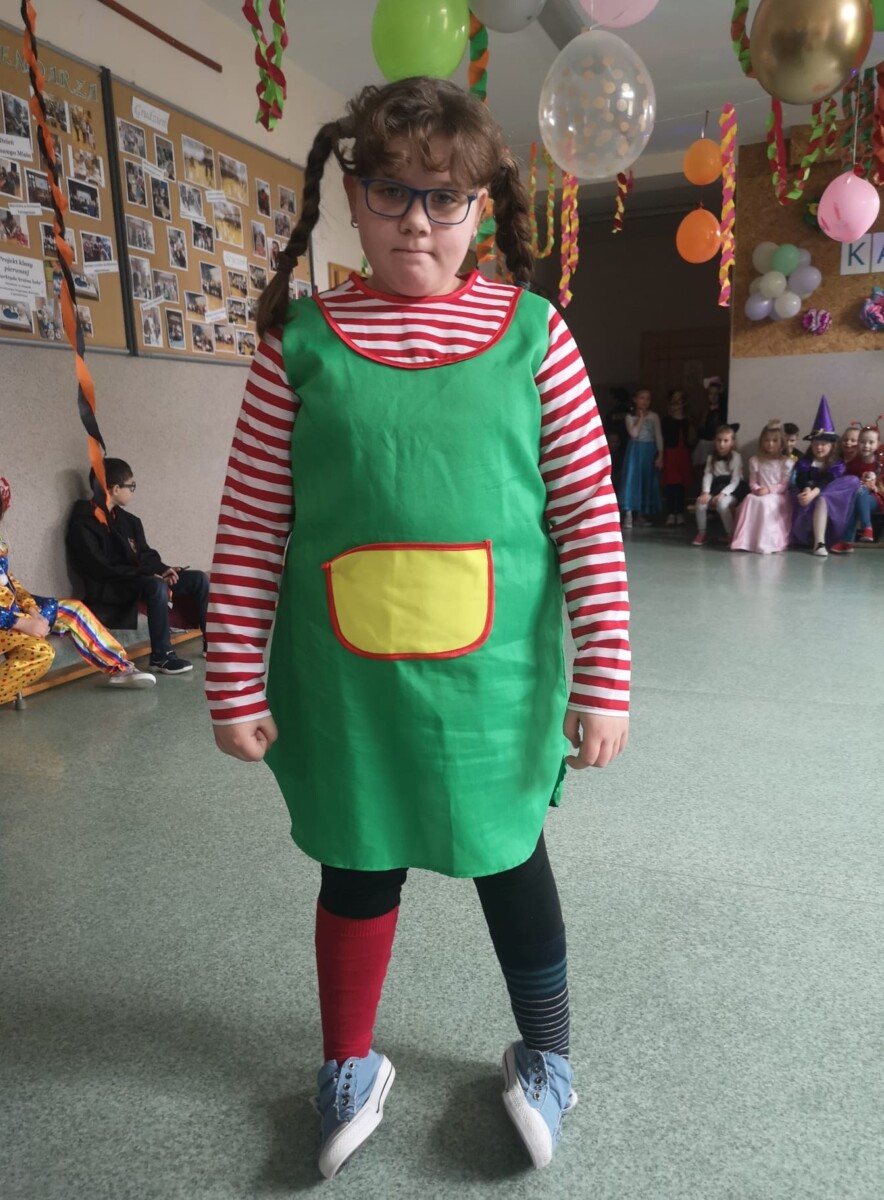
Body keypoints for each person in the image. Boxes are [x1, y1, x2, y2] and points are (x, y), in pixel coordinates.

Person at [205, 77, 630, 1179]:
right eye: (391, 193)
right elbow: (251, 523)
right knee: (356, 867)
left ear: (480, 206)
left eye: (445, 199)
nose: (416, 222)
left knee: (511, 862)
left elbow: (588, 516)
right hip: (343, 685)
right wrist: (233, 677)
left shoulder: (535, 337)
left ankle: (548, 1055)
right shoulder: (299, 344)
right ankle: (349, 1061)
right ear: (352, 196)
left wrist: (605, 678)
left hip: (495, 686)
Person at [0, 460, 154, 714]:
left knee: (72, 610)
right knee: (41, 653)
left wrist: (31, 609)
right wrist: (21, 623)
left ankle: (119, 668)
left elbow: (10, 582)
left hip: (10, 610)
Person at [66, 458, 208, 674]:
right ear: (115, 489)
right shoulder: (83, 522)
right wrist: (147, 575)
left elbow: (145, 554)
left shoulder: (128, 520)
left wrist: (163, 570)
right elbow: (100, 567)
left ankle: (212, 642)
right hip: (110, 586)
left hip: (138, 579)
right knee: (156, 586)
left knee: (198, 579)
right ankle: (161, 655)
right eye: (130, 486)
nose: (132, 491)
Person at [790, 397, 861, 557]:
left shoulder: (837, 463)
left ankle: (819, 542)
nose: (819, 447)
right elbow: (801, 477)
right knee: (802, 495)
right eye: (815, 444)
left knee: (826, 497)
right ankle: (812, 538)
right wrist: (806, 490)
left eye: (823, 444)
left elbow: (827, 479)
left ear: (831, 445)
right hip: (808, 495)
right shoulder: (806, 461)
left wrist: (815, 492)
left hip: (827, 496)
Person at [730, 420, 793, 554]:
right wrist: (757, 489)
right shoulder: (755, 460)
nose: (770, 444)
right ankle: (746, 541)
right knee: (749, 499)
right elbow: (753, 481)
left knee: (765, 503)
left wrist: (769, 490)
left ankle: (765, 542)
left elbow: (784, 484)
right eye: (767, 440)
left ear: (781, 442)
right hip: (759, 493)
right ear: (762, 442)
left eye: (774, 441)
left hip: (778, 495)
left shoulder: (786, 462)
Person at [692, 425, 745, 546]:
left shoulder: (736, 457)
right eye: (719, 440)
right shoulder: (711, 458)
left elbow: (735, 480)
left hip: (732, 490)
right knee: (700, 503)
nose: (721, 444)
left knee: (722, 504)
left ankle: (731, 534)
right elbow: (708, 475)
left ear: (732, 443)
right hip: (715, 487)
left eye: (726, 441)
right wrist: (705, 492)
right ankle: (702, 532)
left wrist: (723, 494)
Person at [619, 387, 663, 529]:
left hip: (649, 450)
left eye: (648, 399)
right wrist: (641, 417)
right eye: (642, 398)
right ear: (635, 400)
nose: (645, 401)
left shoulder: (654, 416)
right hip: (635, 450)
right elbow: (634, 433)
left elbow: (658, 435)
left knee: (645, 481)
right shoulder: (629, 417)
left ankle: (640, 515)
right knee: (632, 480)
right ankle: (629, 514)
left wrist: (660, 455)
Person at [844, 420, 883, 542]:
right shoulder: (854, 464)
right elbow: (848, 481)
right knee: (858, 495)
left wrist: (877, 488)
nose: (866, 445)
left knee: (860, 494)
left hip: (878, 498)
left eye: (871, 442)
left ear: (877, 444)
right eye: (862, 442)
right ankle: (853, 538)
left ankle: (852, 537)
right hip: (859, 496)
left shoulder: (880, 463)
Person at [660, 389, 692, 526]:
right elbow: (662, 438)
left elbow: (690, 438)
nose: (677, 402)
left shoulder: (687, 419)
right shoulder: (666, 420)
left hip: (683, 453)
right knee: (671, 484)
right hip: (670, 453)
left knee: (680, 484)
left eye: (680, 399)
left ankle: (679, 513)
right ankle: (670, 513)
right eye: (674, 399)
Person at [693, 376, 728, 467]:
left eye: (716, 394)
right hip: (704, 443)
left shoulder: (722, 409)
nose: (713, 397)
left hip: (715, 443)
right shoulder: (705, 410)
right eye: (710, 394)